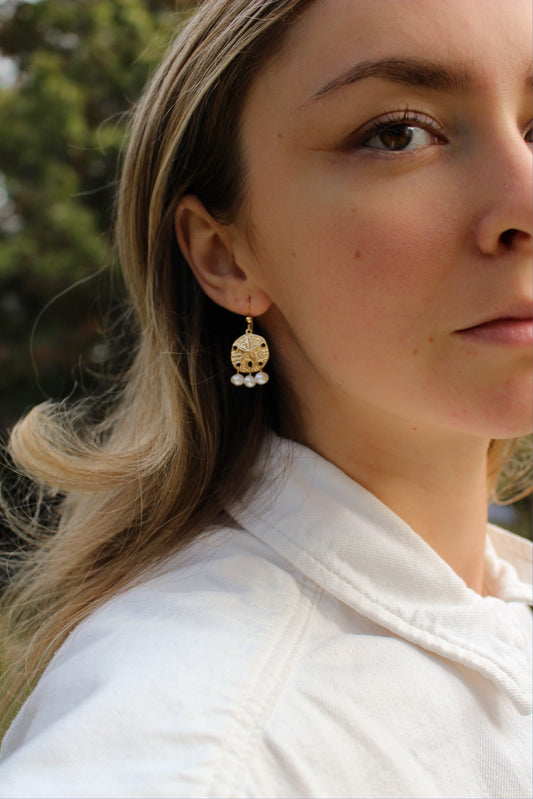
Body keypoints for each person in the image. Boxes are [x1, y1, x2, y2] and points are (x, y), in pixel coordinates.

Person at [0, 0, 531, 796]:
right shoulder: (196, 745)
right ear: (225, 255)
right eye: (397, 134)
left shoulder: (491, 603)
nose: (523, 202)